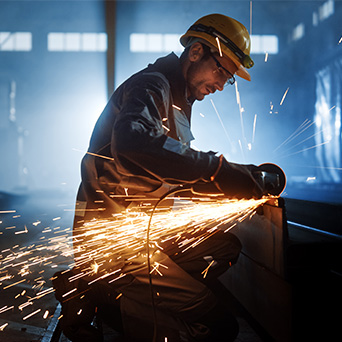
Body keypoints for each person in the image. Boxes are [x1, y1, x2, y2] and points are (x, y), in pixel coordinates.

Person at [53, 13, 266, 342]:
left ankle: (108, 294)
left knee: (224, 248)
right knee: (220, 326)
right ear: (196, 52)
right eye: (222, 70)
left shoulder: (179, 97)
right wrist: (217, 170)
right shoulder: (152, 85)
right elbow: (134, 144)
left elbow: (168, 168)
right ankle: (103, 297)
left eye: (230, 78)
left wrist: (230, 184)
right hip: (117, 244)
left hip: (144, 230)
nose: (222, 84)